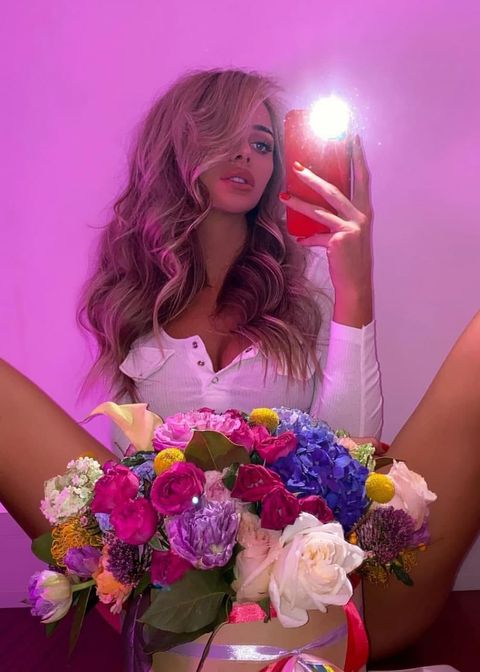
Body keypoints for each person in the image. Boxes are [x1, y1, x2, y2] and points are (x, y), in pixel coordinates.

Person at [2, 68, 477, 665]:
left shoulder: (308, 283)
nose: (246, 155)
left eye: (261, 143)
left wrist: (354, 284)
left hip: (320, 590)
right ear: (179, 146)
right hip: (175, 599)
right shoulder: (132, 299)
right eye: (224, 135)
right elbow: (128, 471)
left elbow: (352, 445)